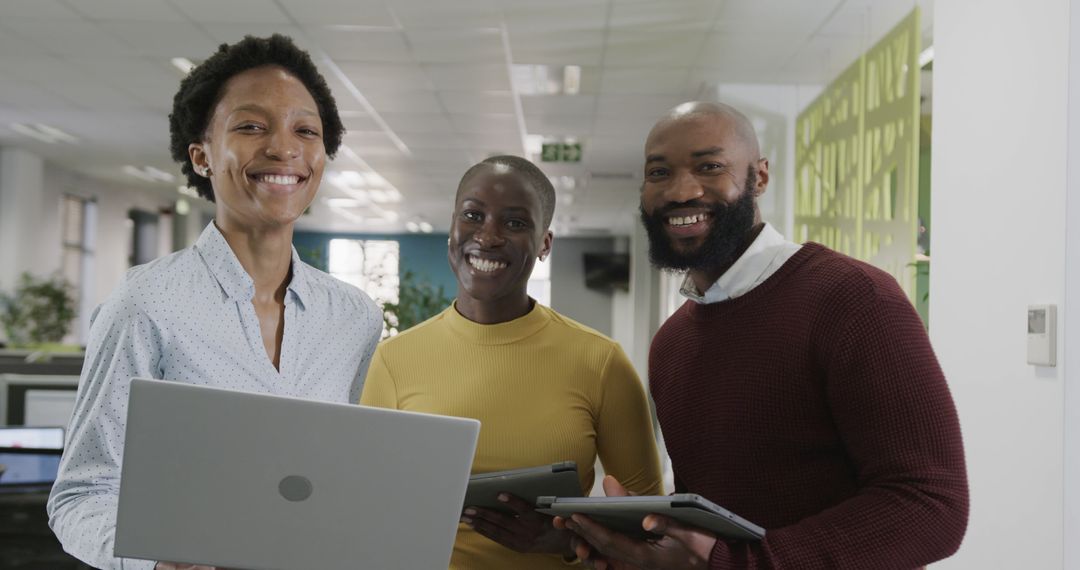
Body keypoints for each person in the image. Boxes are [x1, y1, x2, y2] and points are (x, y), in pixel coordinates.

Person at [557, 102, 969, 569]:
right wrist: (644, 541)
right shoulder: (672, 344)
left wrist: (740, 564)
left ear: (759, 177)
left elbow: (931, 505)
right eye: (659, 172)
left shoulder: (853, 298)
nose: (681, 190)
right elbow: (724, 516)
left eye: (709, 166)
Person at [47, 35, 383, 570]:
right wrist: (157, 562)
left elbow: (351, 477)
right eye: (251, 126)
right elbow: (82, 494)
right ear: (201, 156)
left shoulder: (354, 317)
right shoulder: (146, 303)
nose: (283, 148)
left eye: (306, 130)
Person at [360, 155, 664, 569]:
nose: (487, 236)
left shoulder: (601, 362)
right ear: (451, 228)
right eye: (472, 215)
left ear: (544, 244)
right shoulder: (394, 359)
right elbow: (367, 507)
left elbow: (649, 529)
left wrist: (563, 538)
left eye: (515, 223)